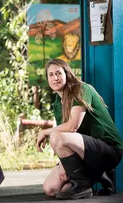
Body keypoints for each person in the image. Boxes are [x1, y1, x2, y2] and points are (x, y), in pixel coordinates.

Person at [36, 59, 123, 200]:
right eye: (51, 75)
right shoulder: (58, 103)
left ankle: (83, 186)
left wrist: (45, 131)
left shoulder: (81, 89)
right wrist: (64, 165)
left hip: (108, 150)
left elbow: (72, 127)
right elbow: (66, 137)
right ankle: (99, 175)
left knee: (55, 135)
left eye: (59, 73)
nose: (55, 78)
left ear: (67, 74)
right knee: (50, 188)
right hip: (84, 152)